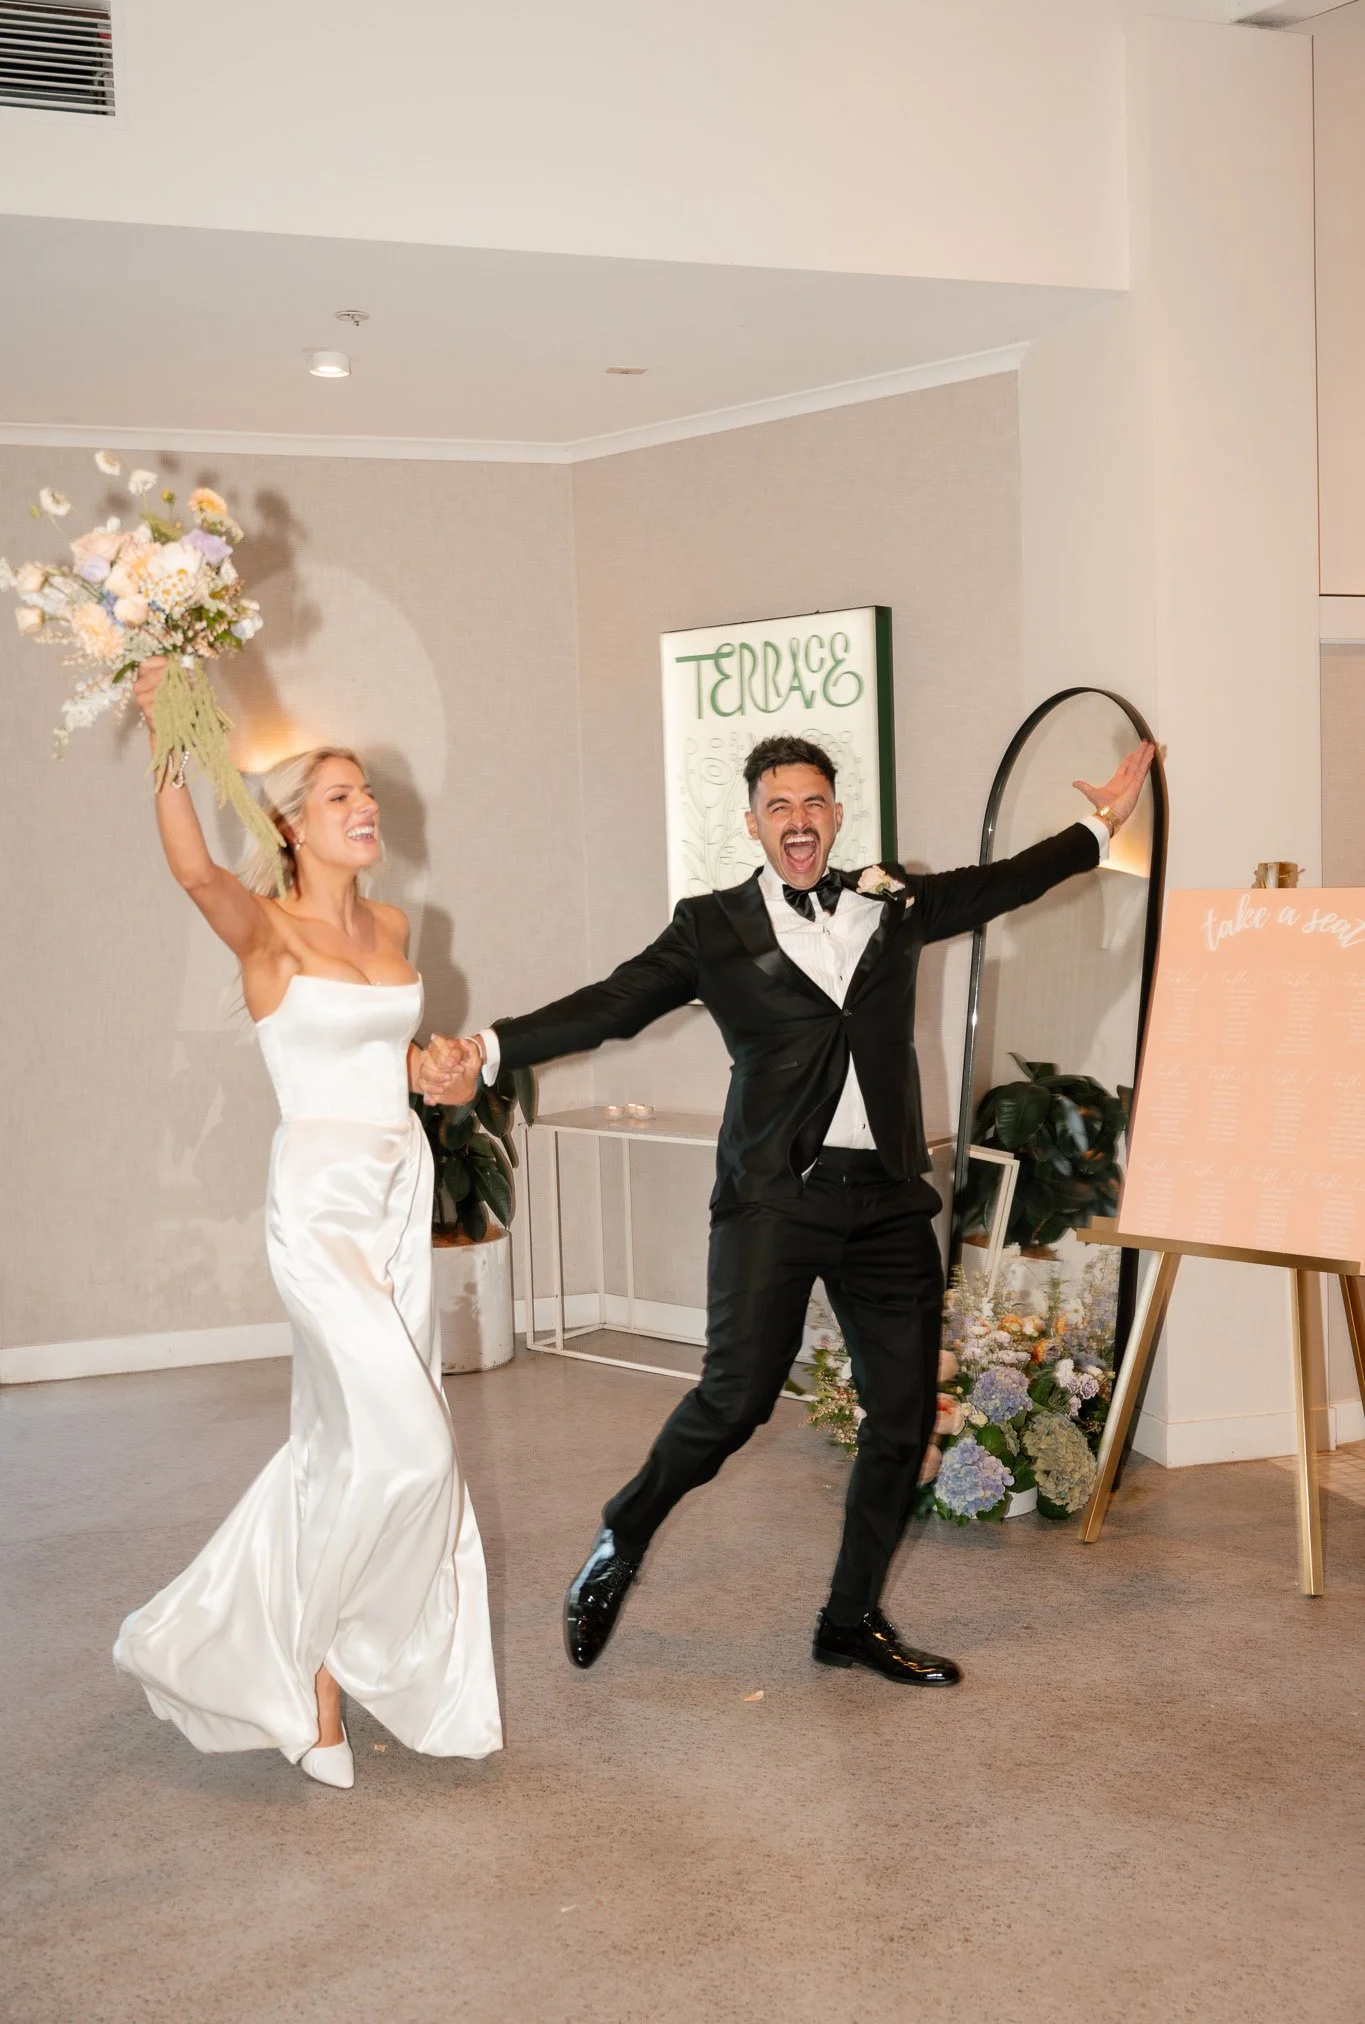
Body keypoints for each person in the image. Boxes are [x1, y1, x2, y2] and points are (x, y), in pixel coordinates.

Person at [435, 732, 1154, 1689]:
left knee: (902, 1417)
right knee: (733, 1402)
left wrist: (1097, 822)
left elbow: (1009, 883)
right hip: (774, 1197)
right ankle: (625, 1532)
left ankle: (849, 1620)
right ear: (753, 826)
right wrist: (487, 1049)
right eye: (778, 809)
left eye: (812, 804)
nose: (798, 822)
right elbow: (611, 1005)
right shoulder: (711, 926)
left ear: (837, 814)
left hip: (890, 1200)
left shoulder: (894, 903)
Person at [112, 652, 502, 1788]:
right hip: (319, 1207)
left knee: (349, 1446)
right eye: (338, 795)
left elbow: (409, 1065)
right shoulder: (266, 933)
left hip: (396, 1192)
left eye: (366, 788)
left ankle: (300, 1654)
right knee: (413, 1441)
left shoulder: (394, 928)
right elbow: (191, 866)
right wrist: (166, 730)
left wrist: (446, 1077)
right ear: (290, 827)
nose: (364, 805)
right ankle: (314, 1662)